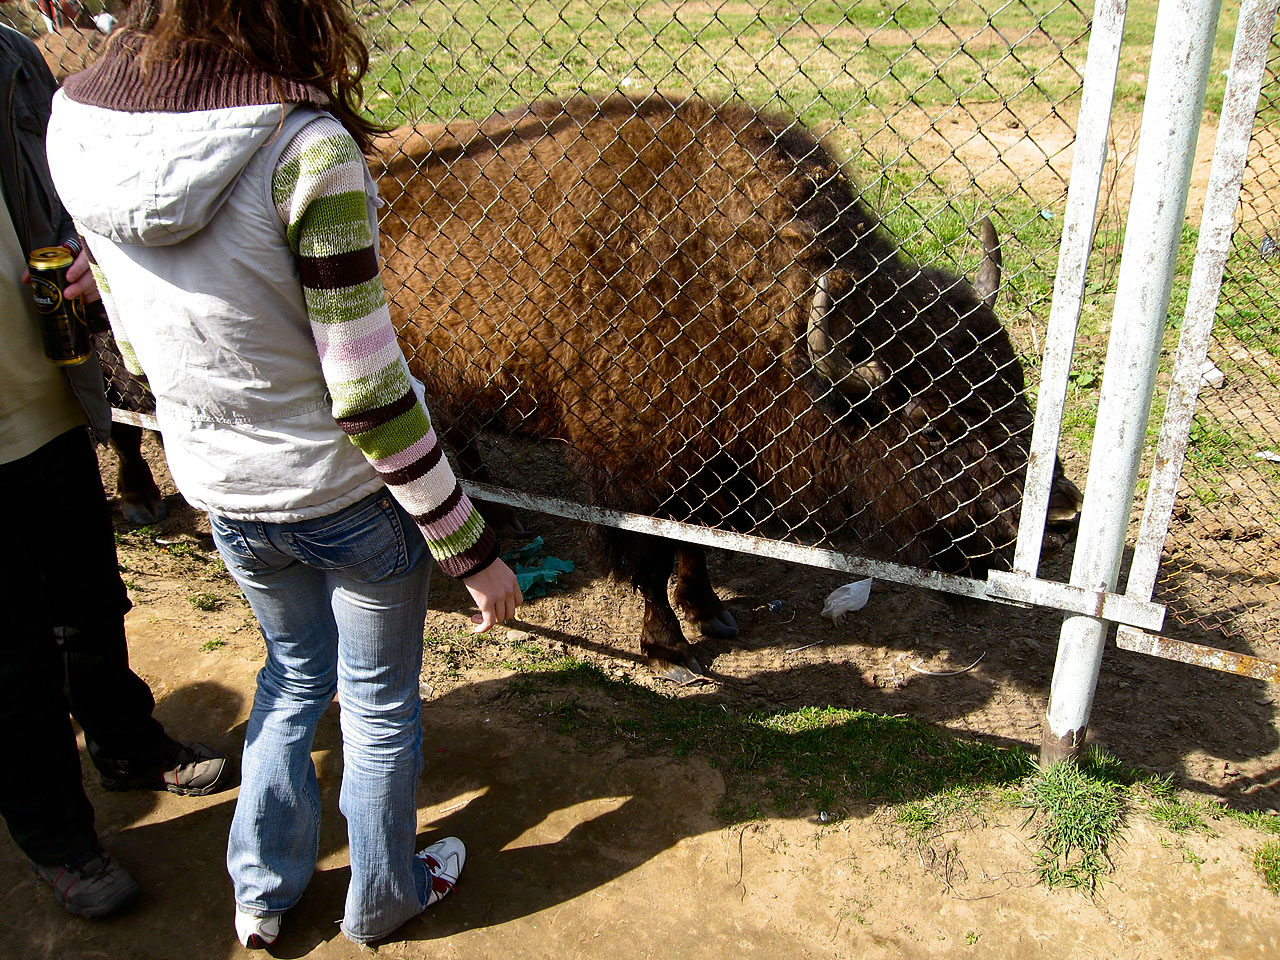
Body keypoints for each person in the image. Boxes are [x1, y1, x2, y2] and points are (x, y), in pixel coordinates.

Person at [47, 0, 524, 948]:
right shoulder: (308, 150)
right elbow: (369, 393)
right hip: (346, 497)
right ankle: (383, 897)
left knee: (292, 675)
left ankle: (260, 895)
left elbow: (133, 343)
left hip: (220, 488)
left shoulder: (82, 124)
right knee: (377, 703)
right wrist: (470, 549)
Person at [0, 21, 228, 921]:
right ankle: (59, 837)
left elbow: (60, 196)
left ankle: (128, 745)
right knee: (12, 656)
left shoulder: (11, 57)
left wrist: (86, 252)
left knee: (91, 598)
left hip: (46, 392)